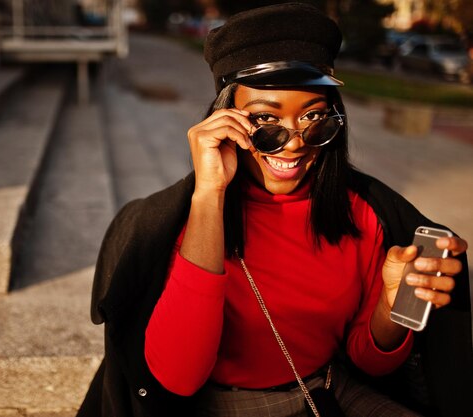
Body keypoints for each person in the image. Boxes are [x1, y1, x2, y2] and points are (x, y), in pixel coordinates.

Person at [77, 3, 471, 417]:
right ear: (225, 120)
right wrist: (209, 193)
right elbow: (178, 376)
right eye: (266, 120)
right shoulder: (178, 225)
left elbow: (369, 360)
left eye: (315, 118)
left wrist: (391, 305)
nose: (295, 143)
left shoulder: (366, 212)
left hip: (332, 389)